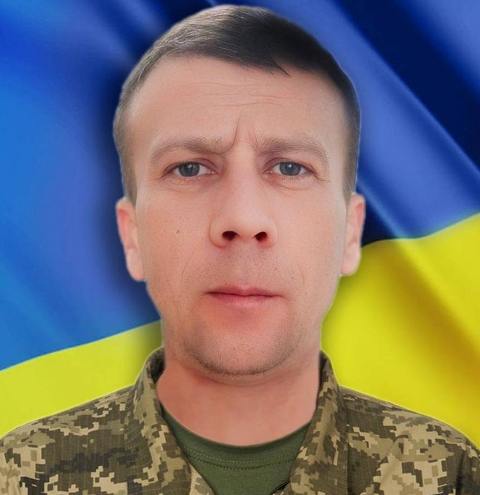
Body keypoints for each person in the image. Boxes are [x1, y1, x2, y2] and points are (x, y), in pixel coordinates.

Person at [1, 5, 478, 495]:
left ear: (351, 233)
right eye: (189, 168)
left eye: (290, 168)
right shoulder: (22, 476)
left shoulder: (448, 474)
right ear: (132, 235)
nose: (243, 219)